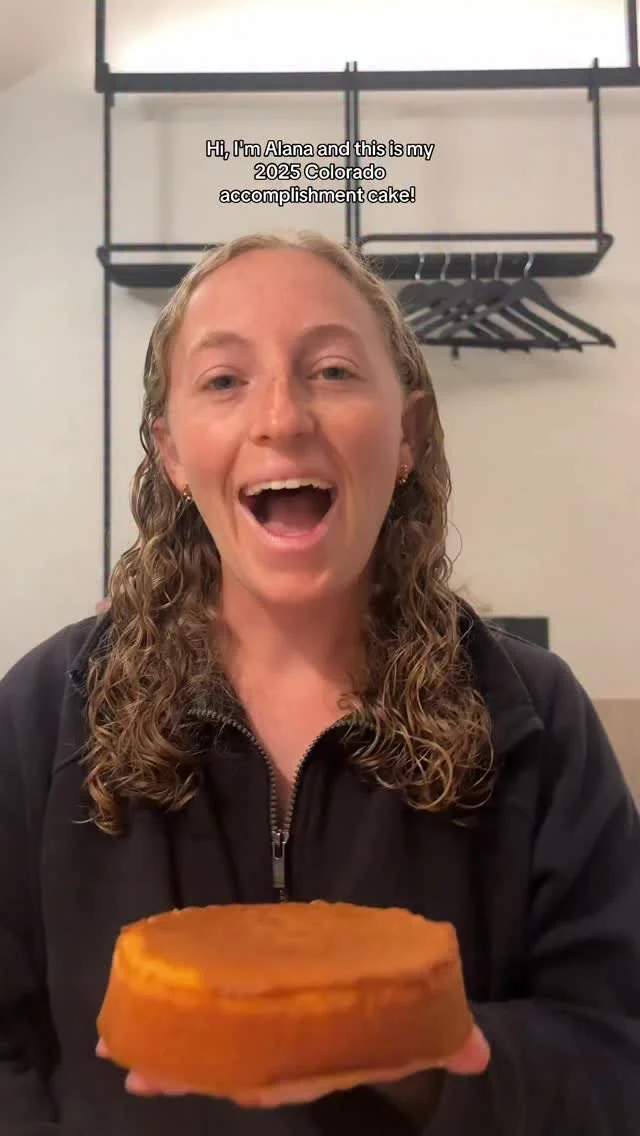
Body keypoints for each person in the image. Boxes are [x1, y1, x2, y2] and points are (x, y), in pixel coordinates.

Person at [0, 230, 638, 1136]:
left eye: (333, 371)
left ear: (409, 432)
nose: (282, 418)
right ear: (172, 451)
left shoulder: (534, 716)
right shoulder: (43, 711)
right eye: (225, 379)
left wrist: (430, 1059)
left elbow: (618, 1058)